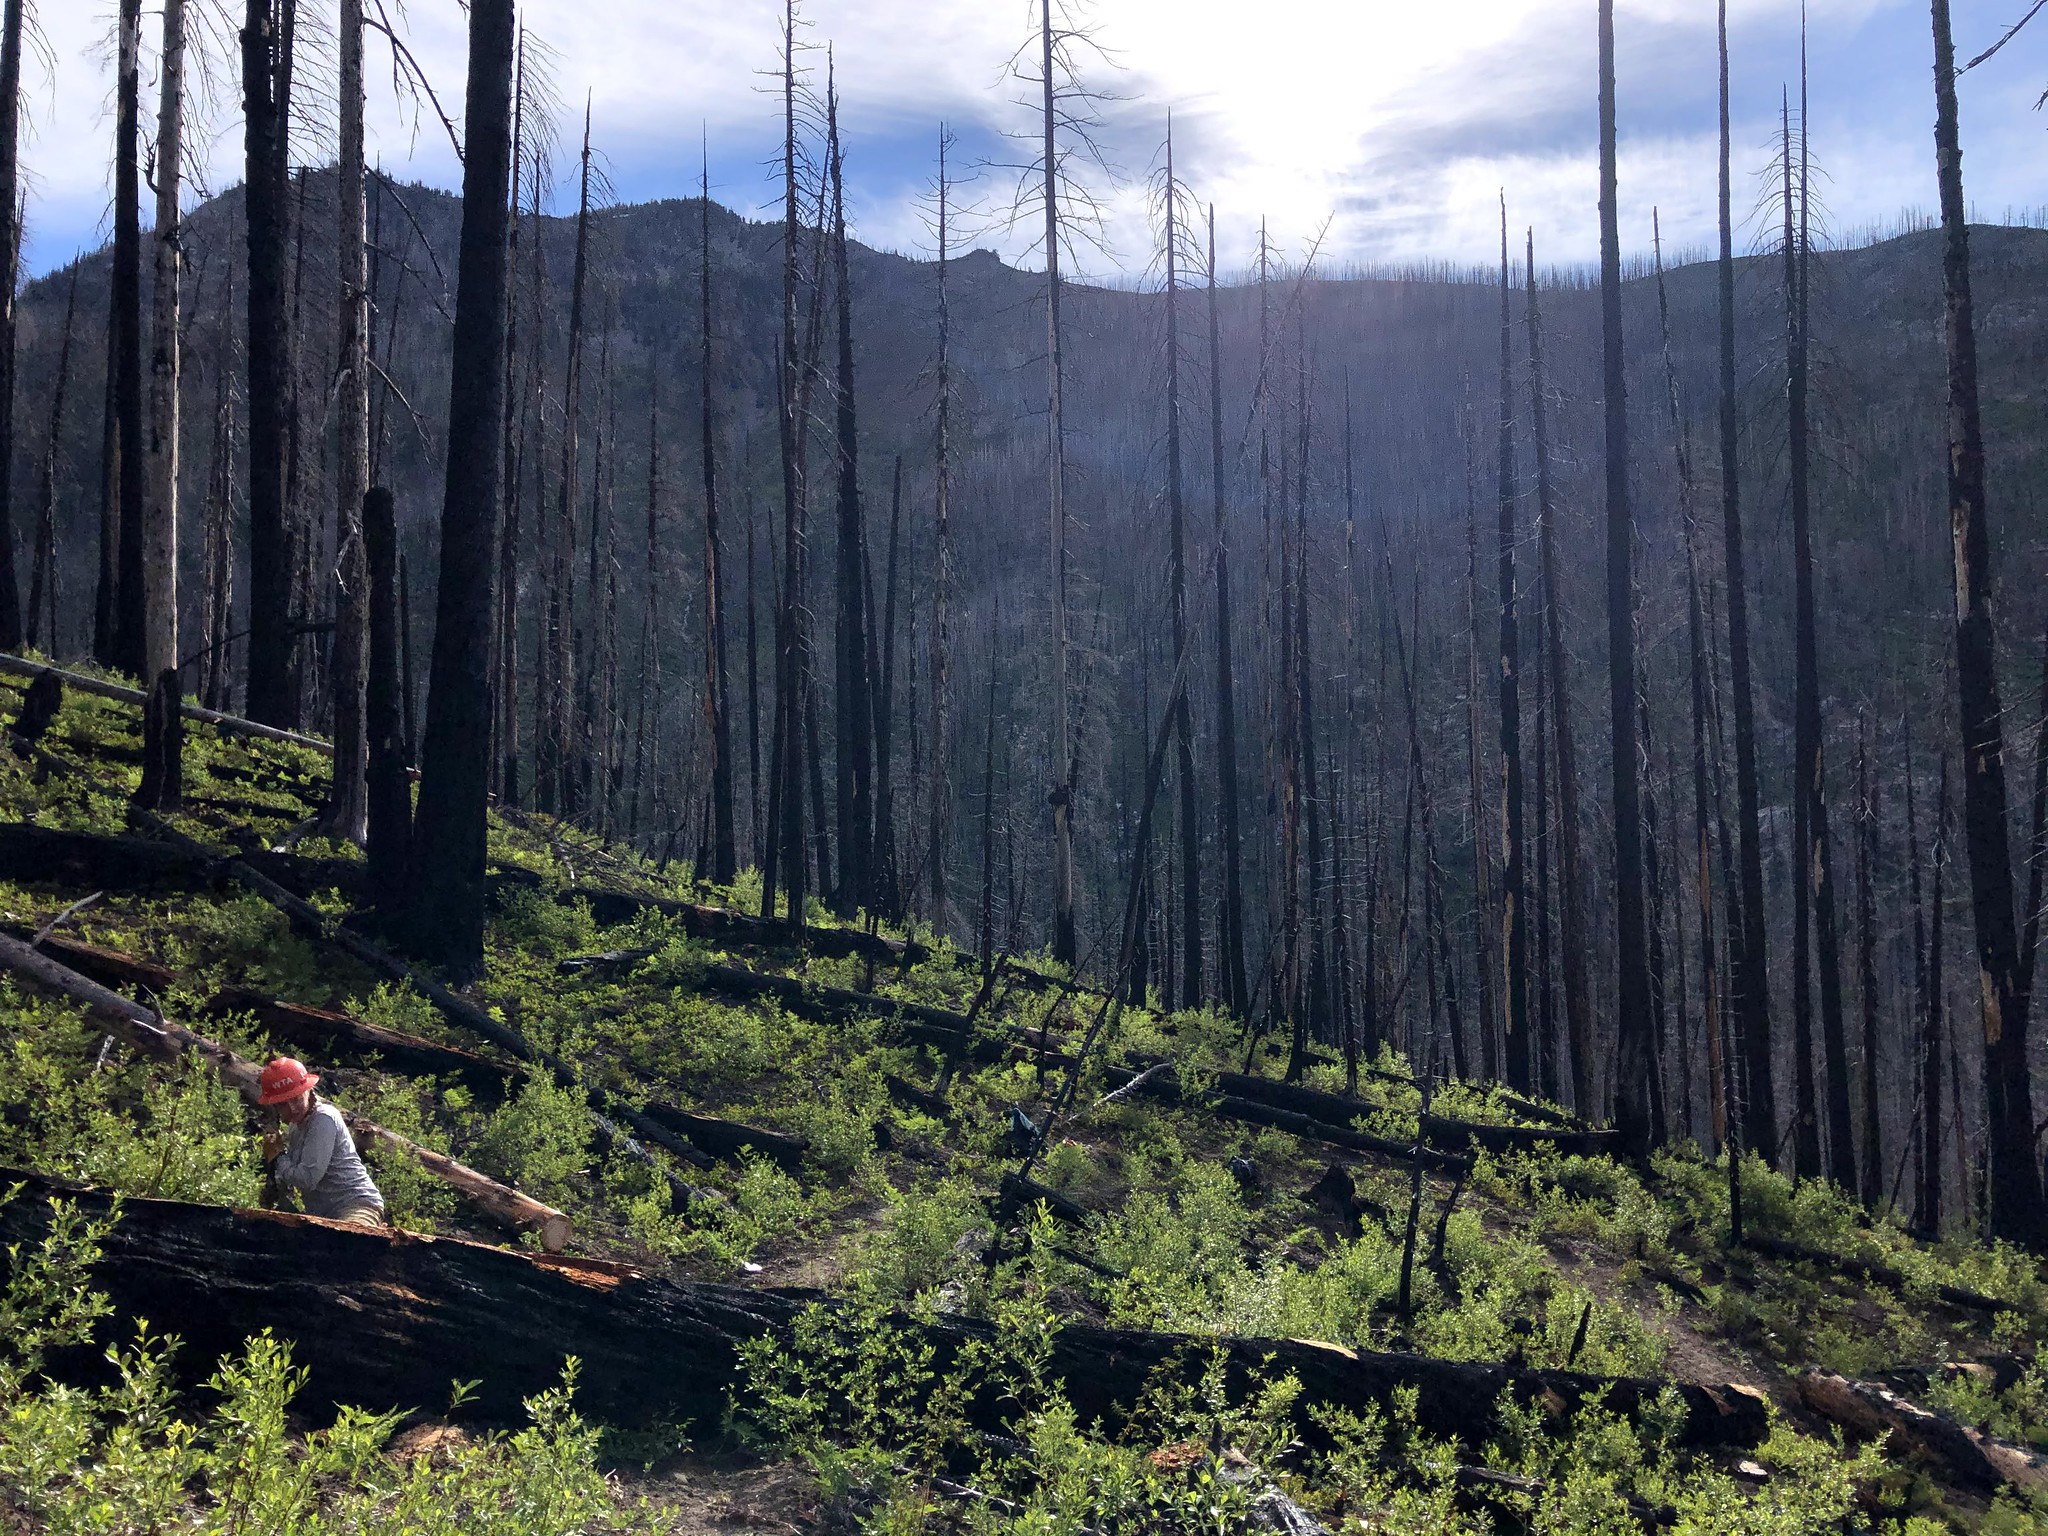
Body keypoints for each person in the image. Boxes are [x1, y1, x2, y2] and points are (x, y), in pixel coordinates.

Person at [257, 1057, 386, 1226]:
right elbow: (292, 1178)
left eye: (295, 1099)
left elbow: (307, 1179)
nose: (292, 1108)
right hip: (325, 1215)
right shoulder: (296, 1127)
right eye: (283, 1104)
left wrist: (279, 1157)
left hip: (358, 1205)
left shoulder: (323, 1118)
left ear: (308, 1090)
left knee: (349, 1241)